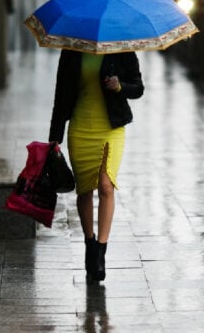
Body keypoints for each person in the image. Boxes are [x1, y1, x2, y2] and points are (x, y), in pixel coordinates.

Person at [49, 49, 144, 284]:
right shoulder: (72, 50)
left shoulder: (122, 48)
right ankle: (89, 243)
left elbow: (138, 88)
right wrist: (55, 136)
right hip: (80, 127)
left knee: (106, 185)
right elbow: (61, 95)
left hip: (112, 128)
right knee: (84, 189)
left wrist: (120, 86)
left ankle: (101, 250)